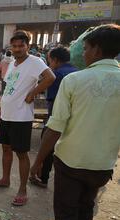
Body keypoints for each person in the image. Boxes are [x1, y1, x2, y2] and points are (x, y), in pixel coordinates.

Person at [30, 24, 120, 220]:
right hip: (102, 166)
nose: (84, 53)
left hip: (70, 164)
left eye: (87, 48)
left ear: (97, 50)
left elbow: (55, 128)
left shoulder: (75, 81)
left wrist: (38, 161)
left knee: (66, 217)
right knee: (86, 209)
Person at [0, 30, 56, 206]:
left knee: (21, 154)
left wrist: (33, 93)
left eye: (21, 46)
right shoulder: (12, 64)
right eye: (14, 46)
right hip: (7, 114)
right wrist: (0, 112)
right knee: (6, 150)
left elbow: (50, 77)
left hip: (21, 116)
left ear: (28, 46)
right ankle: (5, 179)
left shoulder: (35, 62)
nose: (17, 49)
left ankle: (23, 190)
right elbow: (9, 89)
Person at [29, 46, 78, 188]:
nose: (49, 64)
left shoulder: (56, 75)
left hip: (57, 118)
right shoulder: (78, 73)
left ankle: (42, 178)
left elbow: (52, 101)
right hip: (76, 122)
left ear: (55, 60)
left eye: (50, 60)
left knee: (48, 148)